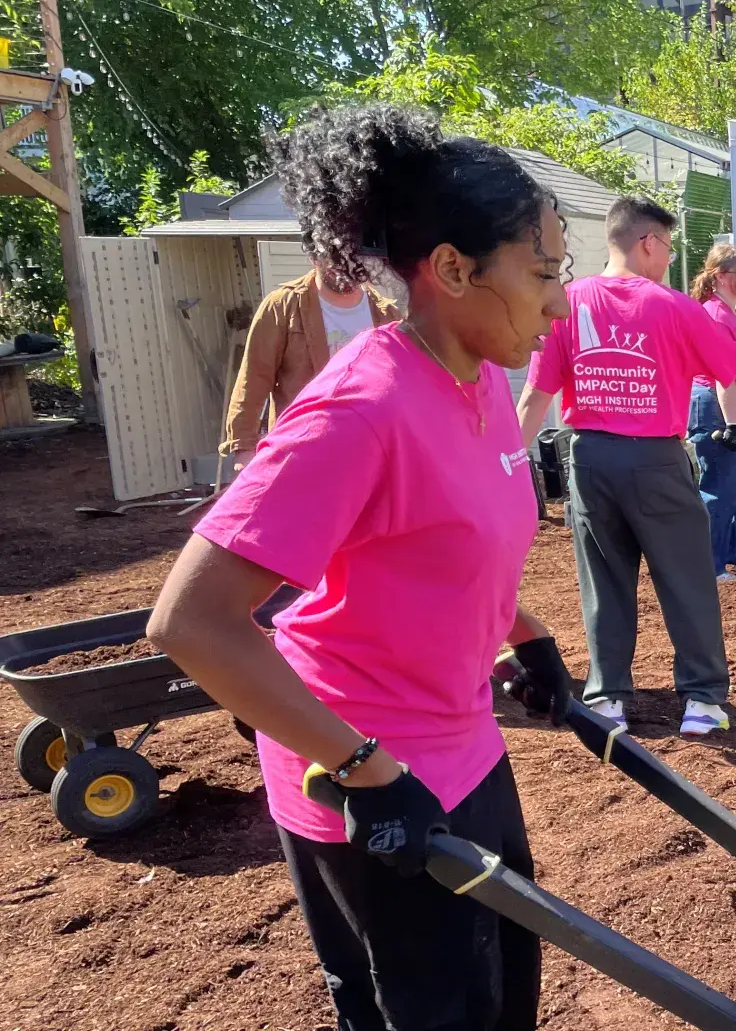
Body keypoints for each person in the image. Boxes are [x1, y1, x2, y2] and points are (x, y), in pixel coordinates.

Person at [147, 103, 579, 1031]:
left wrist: (524, 630)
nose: (561, 301)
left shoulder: (481, 379)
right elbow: (190, 622)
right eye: (542, 273)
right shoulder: (358, 411)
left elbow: (443, 537)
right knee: (421, 1013)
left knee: (503, 991)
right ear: (454, 270)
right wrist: (362, 767)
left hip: (463, 743)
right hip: (363, 773)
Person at [518, 198, 736, 737]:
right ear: (647, 242)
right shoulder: (674, 307)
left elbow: (533, 396)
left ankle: (607, 698)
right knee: (687, 578)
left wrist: (503, 464)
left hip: (590, 459)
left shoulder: (567, 303)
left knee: (604, 582)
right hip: (656, 458)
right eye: (666, 248)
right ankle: (703, 700)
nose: (668, 260)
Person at [223, 252, 401, 468]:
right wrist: (244, 451)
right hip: (301, 456)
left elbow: (402, 390)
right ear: (314, 256)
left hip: (370, 459)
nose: (344, 263)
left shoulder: (388, 314)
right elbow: (253, 379)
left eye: (353, 254)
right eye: (334, 255)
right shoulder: (283, 306)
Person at [686, 243, 736, 581]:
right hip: (718, 408)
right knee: (720, 487)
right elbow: (723, 373)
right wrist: (732, 423)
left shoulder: (731, 311)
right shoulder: (715, 314)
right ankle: (710, 564)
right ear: (720, 276)